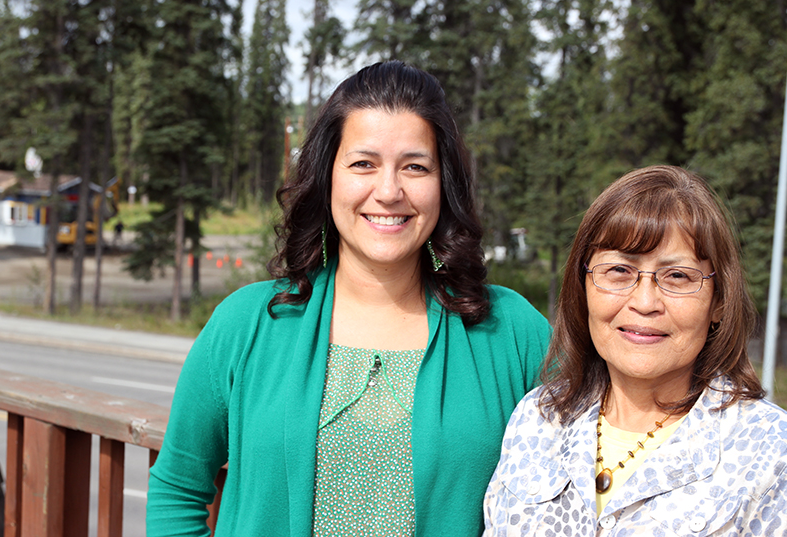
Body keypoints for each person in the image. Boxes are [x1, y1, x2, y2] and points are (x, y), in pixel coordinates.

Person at [147, 61, 551, 536]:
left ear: (444, 184)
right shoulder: (246, 324)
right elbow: (178, 488)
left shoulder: (511, 332)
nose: (388, 191)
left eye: (415, 167)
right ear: (328, 176)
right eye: (364, 163)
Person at [484, 165, 787, 535]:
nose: (645, 302)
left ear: (719, 302)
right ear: (584, 288)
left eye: (677, 276)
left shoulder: (771, 453)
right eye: (619, 271)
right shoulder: (538, 419)